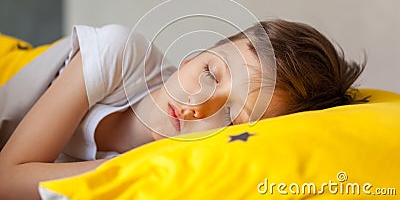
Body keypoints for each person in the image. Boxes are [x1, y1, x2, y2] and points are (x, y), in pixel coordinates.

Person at [0, 19, 366, 199]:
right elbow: (6, 180)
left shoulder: (180, 176)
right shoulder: (117, 53)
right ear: (196, 53)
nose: (197, 105)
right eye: (210, 72)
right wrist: (128, 167)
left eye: (227, 118)